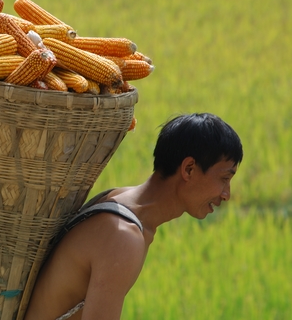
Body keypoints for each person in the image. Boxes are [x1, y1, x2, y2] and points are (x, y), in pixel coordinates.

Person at [24, 112, 244, 320]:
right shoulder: (123, 235)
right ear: (188, 169)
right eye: (224, 178)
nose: (226, 194)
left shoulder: (118, 200)